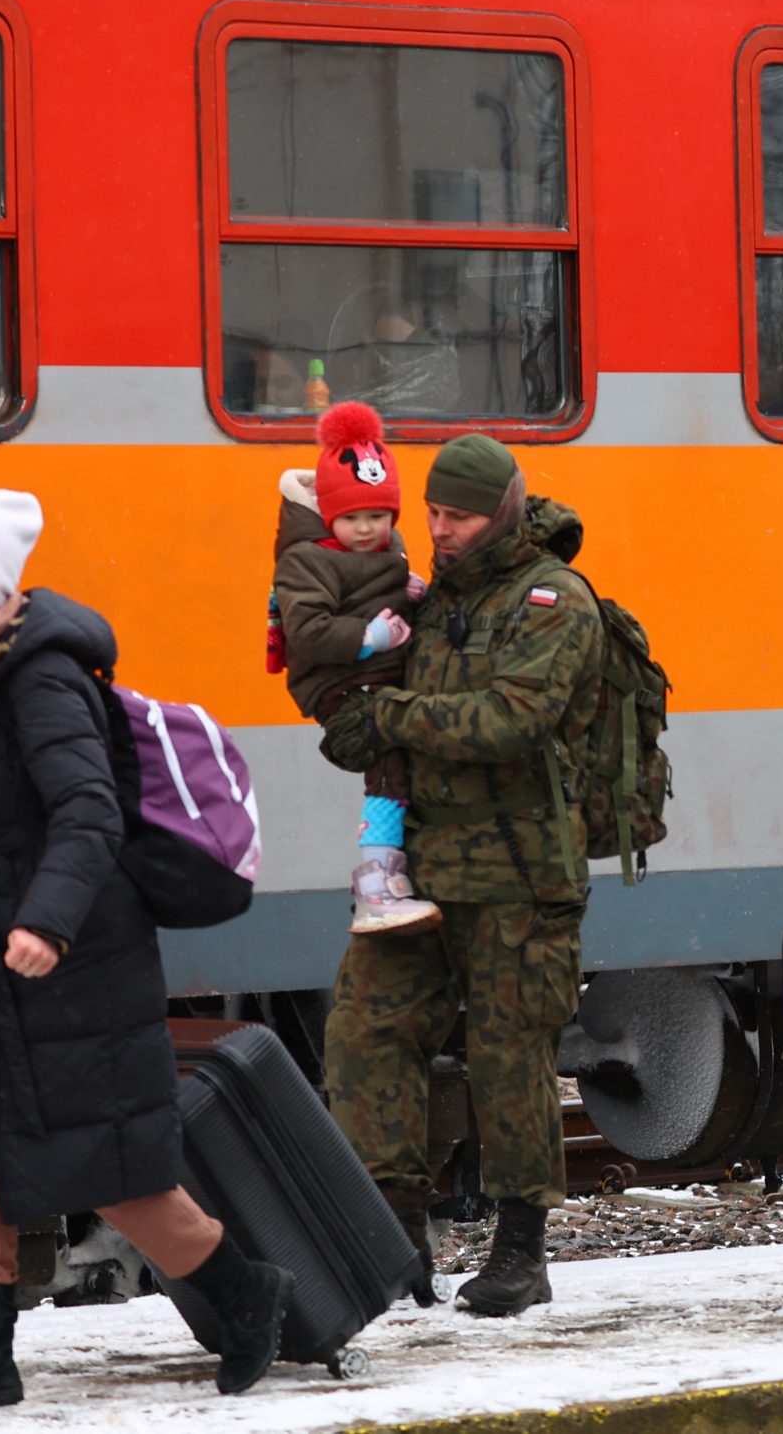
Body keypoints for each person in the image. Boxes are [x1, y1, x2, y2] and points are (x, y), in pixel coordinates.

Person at [0, 490, 291, 1410]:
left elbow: (87, 809)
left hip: (70, 947)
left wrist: (49, 920)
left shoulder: (39, 674)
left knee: (100, 1160)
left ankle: (244, 1291)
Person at [315, 434, 606, 1317]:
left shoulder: (554, 600)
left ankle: (522, 1249)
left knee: (509, 1053)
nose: (439, 530)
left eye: (459, 516)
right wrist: (348, 714)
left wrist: (392, 714)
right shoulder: (433, 595)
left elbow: (511, 718)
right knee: (366, 1029)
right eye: (433, 514)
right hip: (420, 867)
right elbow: (378, 697)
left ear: (504, 509)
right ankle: (396, 1234)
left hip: (518, 873)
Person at [269, 401, 441, 936]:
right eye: (351, 518)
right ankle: (376, 883)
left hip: (381, 674)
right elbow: (309, 632)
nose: (366, 529)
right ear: (327, 513)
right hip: (340, 684)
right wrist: (369, 637)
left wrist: (409, 593)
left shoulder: (393, 546)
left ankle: (404, 865)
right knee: (388, 760)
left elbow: (385, 595)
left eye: (378, 515)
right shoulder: (305, 559)